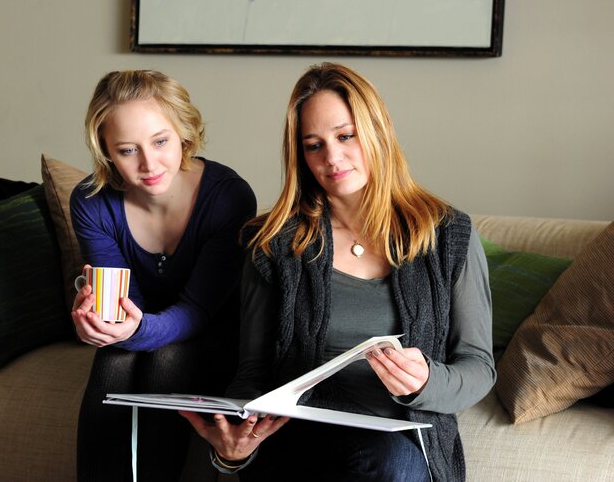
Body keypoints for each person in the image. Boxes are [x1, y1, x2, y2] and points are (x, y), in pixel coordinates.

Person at [181, 63, 495, 482]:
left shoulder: (447, 235)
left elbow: (478, 367)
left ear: (377, 132)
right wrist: (235, 450)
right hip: (299, 445)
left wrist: (425, 381)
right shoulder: (273, 243)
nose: (332, 158)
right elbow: (253, 373)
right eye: (314, 145)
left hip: (398, 450)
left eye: (346, 136)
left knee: (386, 460)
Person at [70, 69, 257, 481]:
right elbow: (123, 304)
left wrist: (130, 331)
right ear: (106, 151)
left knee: (166, 358)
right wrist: (98, 323)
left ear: (184, 134)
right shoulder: (92, 201)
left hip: (213, 333)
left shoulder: (228, 196)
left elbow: (198, 310)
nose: (149, 163)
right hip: (139, 330)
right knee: (113, 360)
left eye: (160, 141)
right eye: (127, 150)